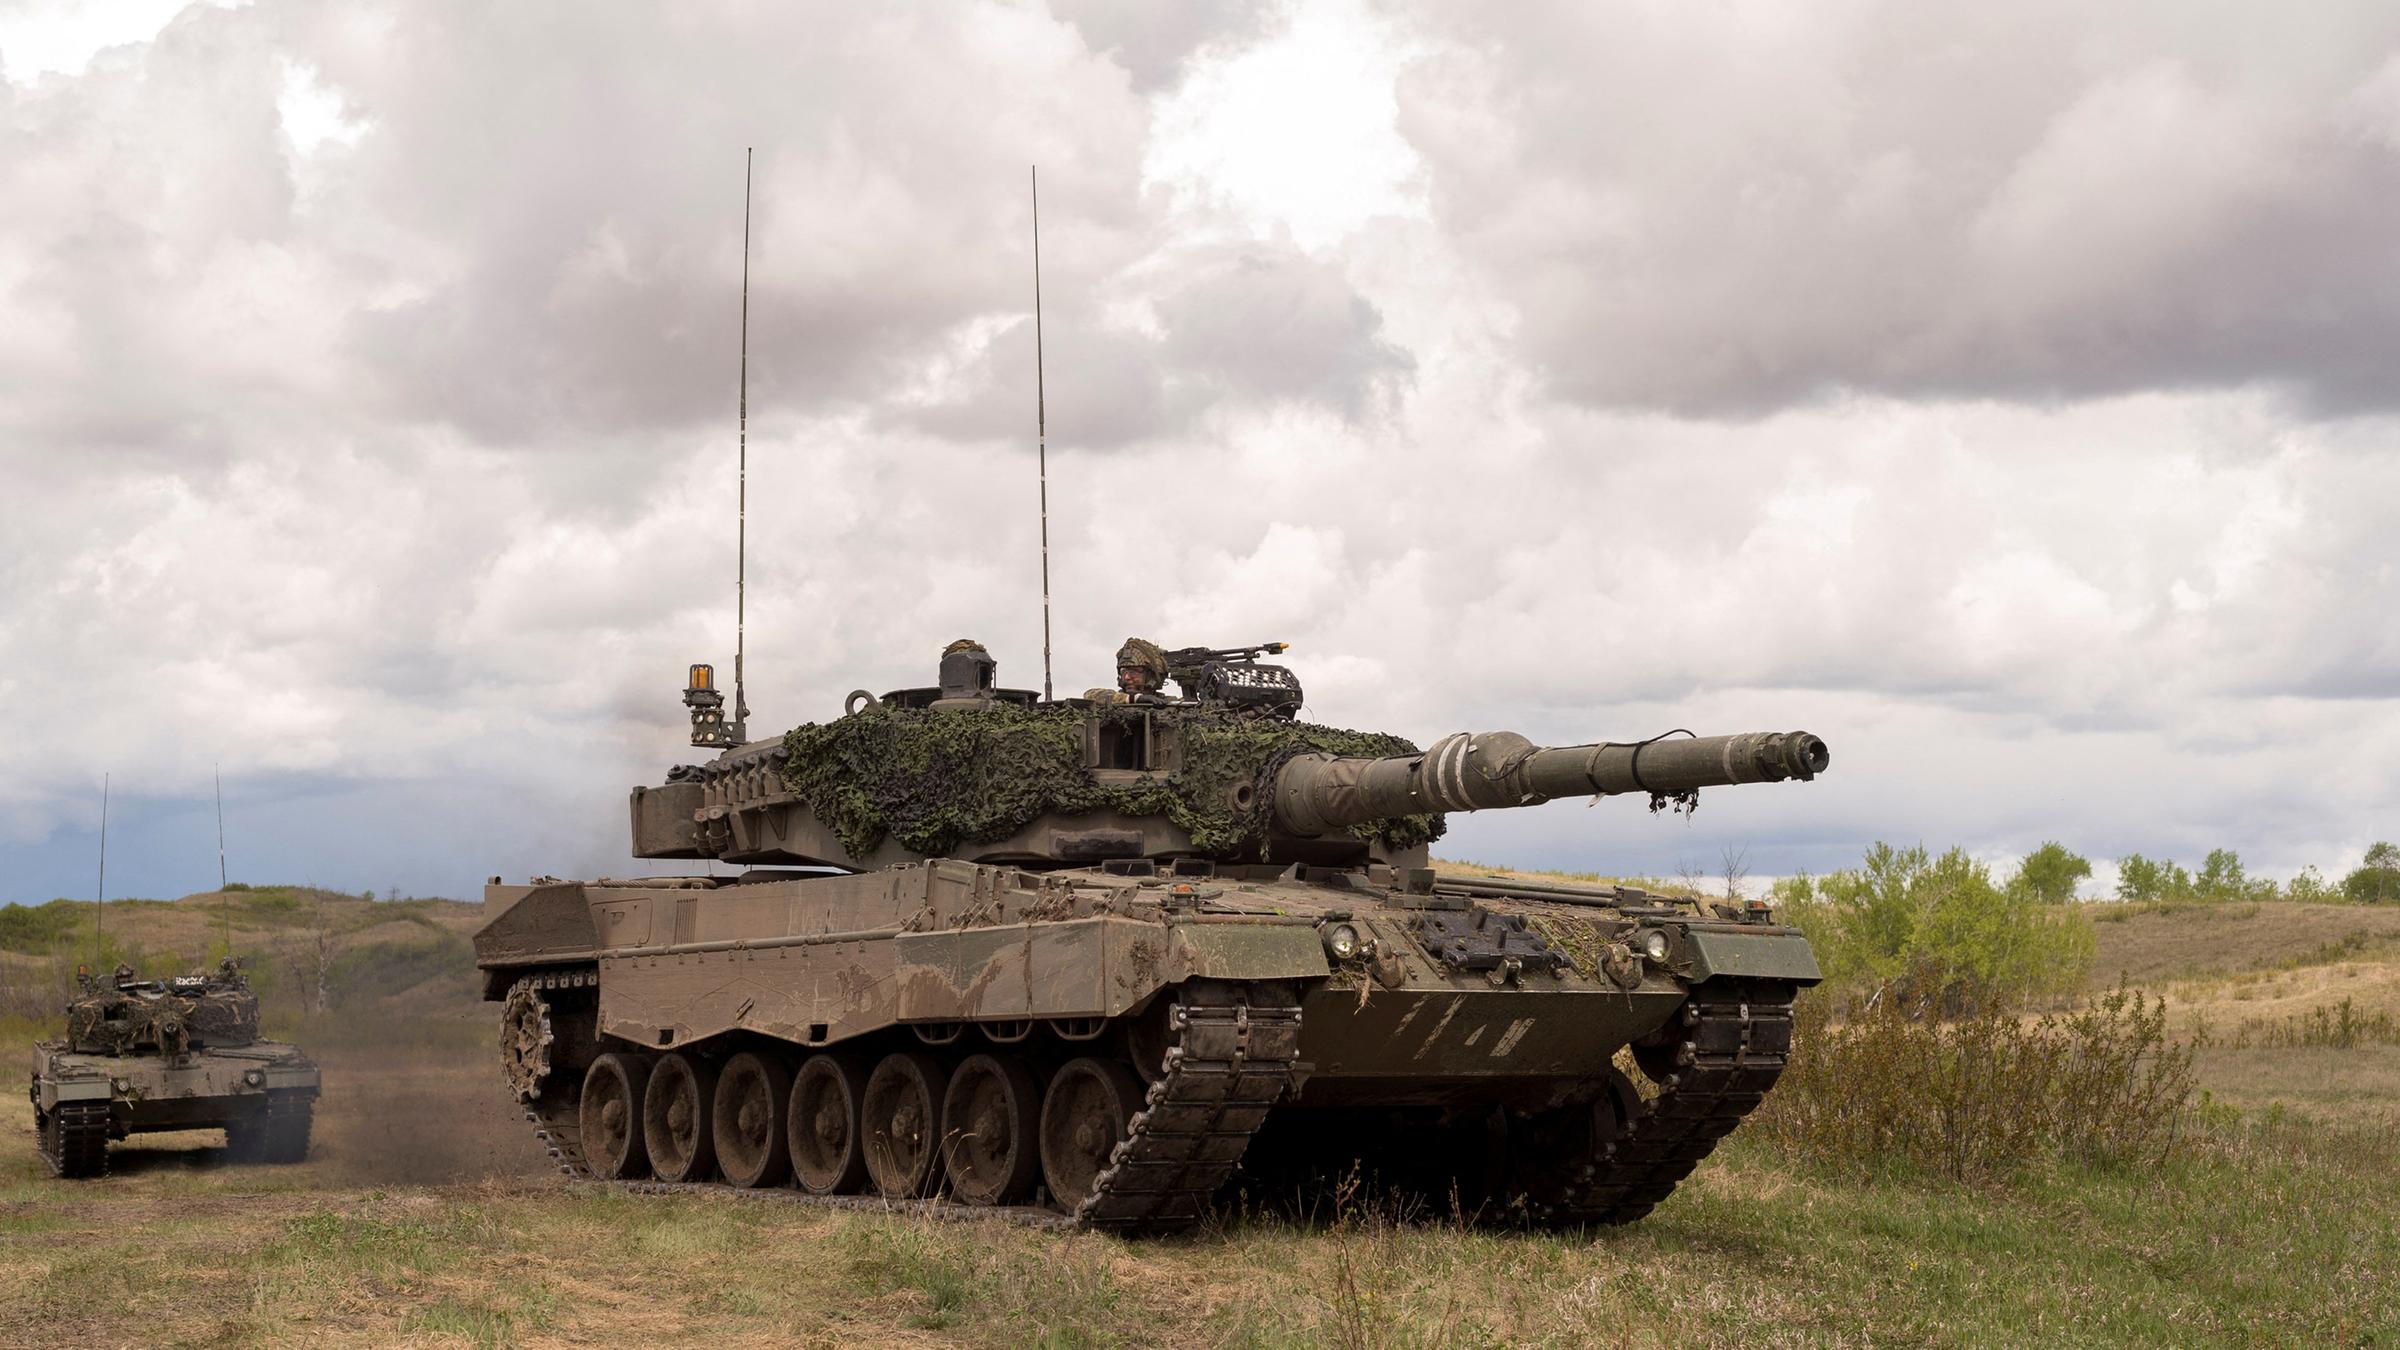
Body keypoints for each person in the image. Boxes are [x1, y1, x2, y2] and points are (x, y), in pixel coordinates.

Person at [1084, 637, 1169, 704]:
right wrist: (1135, 699)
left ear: (1151, 676)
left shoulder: (1170, 705)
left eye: (1133, 671)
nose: (1127, 677)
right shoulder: (1115, 700)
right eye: (1123, 671)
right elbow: (1089, 694)